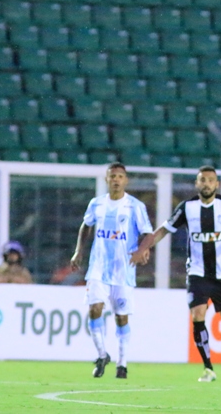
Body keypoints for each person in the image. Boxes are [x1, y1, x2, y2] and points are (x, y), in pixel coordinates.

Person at [131, 166, 221, 383]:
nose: (206, 184)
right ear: (197, 184)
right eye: (202, 180)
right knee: (198, 315)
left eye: (211, 180)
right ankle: (208, 368)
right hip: (197, 273)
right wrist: (144, 247)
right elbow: (162, 230)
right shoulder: (187, 208)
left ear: (217, 184)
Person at [70, 162, 154, 380]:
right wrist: (79, 251)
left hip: (123, 270)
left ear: (126, 181)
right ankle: (101, 355)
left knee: (121, 318)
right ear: (107, 180)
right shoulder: (96, 204)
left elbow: (148, 233)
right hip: (98, 267)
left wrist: (143, 250)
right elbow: (86, 225)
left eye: (120, 176)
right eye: (112, 176)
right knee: (94, 309)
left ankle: (122, 363)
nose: (116, 180)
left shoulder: (135, 206)